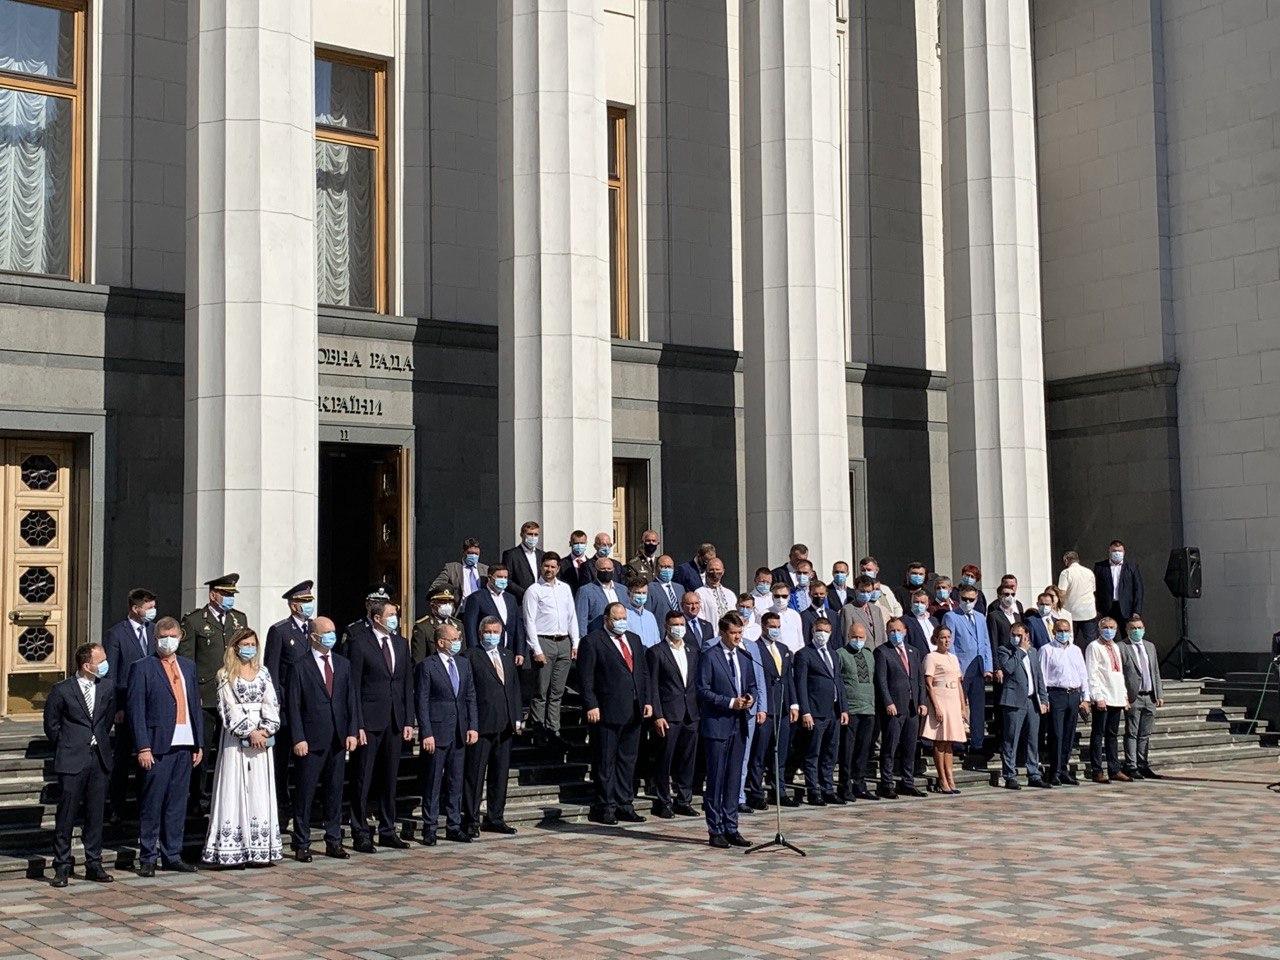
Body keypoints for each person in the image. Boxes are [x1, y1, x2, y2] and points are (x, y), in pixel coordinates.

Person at [201, 628, 283, 866]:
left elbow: (271, 702)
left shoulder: (263, 672)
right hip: (236, 741)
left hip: (262, 740)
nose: (249, 648)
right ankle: (232, 849)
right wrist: (250, 731)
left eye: (252, 643)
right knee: (234, 788)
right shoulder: (225, 674)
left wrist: (266, 729)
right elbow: (228, 709)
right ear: (235, 646)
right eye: (245, 643)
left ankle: (260, 848)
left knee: (259, 789)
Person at [129, 616, 203, 875]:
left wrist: (199, 743)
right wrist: (143, 746)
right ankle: (148, 856)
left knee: (177, 802)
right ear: (155, 638)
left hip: (184, 742)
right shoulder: (143, 667)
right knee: (153, 802)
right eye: (163, 636)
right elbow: (136, 709)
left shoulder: (188, 667)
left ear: (180, 636)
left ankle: (172, 853)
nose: (168, 641)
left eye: (173, 635)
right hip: (157, 745)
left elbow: (195, 704)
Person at [287, 617, 359, 862]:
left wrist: (352, 731)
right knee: (305, 793)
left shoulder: (343, 664)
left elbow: (351, 700)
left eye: (333, 631)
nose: (330, 636)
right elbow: (293, 706)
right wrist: (298, 737)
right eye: (325, 632)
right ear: (313, 636)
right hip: (311, 739)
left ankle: (334, 840)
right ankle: (302, 842)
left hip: (338, 738)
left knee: (334, 791)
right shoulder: (300, 666)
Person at [44, 642, 116, 886]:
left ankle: (93, 863)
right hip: (72, 758)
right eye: (101, 660)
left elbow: (106, 720)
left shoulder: (106, 687)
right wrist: (68, 744)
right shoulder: (62, 690)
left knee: (95, 814)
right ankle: (62, 865)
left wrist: (98, 740)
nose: (105, 664)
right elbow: (51, 725)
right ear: (87, 665)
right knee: (66, 814)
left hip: (99, 758)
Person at [347, 598, 413, 853]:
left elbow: (406, 683)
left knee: (390, 777)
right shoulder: (359, 642)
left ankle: (387, 829)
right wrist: (357, 724)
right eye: (391, 614)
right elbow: (353, 686)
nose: (395, 618)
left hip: (395, 720)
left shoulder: (400, 642)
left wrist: (408, 719)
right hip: (369, 722)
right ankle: (360, 830)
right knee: (363, 777)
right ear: (377, 618)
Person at [178, 572, 248, 813]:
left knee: (231, 748)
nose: (230, 599)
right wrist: (191, 693)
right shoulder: (195, 621)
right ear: (213, 594)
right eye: (226, 594)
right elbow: (187, 661)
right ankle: (198, 796)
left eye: (232, 594)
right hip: (206, 695)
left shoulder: (238, 620)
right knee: (203, 749)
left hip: (233, 694)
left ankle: (228, 793)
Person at [579, 602, 652, 825]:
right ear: (606, 619)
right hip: (607, 711)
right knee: (605, 761)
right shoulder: (592, 641)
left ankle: (624, 803)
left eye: (623, 618)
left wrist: (647, 700)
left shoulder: (634, 639)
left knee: (627, 761)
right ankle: (606, 806)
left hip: (634, 710)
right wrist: (591, 704)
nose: (621, 622)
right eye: (616, 619)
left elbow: (643, 673)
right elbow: (586, 678)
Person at [697, 612, 762, 848]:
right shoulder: (710, 656)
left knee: (734, 778)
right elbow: (702, 690)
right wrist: (729, 702)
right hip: (718, 724)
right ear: (722, 633)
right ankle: (715, 829)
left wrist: (750, 699)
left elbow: (753, 686)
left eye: (739, 633)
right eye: (733, 633)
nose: (737, 637)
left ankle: (731, 825)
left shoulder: (744, 657)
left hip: (739, 723)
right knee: (717, 778)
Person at [415, 623, 478, 845]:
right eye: (454, 638)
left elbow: (470, 696)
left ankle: (453, 825)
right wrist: (426, 732)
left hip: (459, 731)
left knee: (455, 781)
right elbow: (421, 701)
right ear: (441, 642)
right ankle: (429, 827)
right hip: (437, 731)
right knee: (433, 782)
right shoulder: (427, 666)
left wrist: (472, 726)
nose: (458, 641)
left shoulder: (463, 663)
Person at [465, 617, 523, 836]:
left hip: (505, 726)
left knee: (500, 775)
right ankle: (471, 819)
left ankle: (495, 817)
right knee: (475, 775)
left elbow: (514, 688)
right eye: (487, 631)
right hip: (481, 726)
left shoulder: (507, 655)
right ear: (480, 634)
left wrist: (517, 717)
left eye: (495, 631)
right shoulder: (471, 656)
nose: (492, 635)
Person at [102, 587, 156, 822]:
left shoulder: (154, 631)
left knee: (150, 756)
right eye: (149, 608)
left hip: (152, 705)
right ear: (135, 609)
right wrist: (117, 707)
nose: (153, 612)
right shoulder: (116, 634)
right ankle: (117, 805)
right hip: (126, 704)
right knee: (123, 758)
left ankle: (146, 804)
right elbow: (111, 674)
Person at [264, 580, 315, 827]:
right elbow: (272, 672)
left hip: (310, 708)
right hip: (286, 707)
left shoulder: (316, 630)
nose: (309, 605)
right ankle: (281, 808)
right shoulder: (280, 631)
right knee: (281, 762)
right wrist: (274, 705)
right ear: (294, 605)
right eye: (304, 602)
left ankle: (304, 808)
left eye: (310, 600)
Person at [648, 611, 701, 818]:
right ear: (666, 626)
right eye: (674, 624)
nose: (678, 627)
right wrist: (658, 715)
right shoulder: (657, 652)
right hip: (669, 714)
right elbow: (652, 686)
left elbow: (695, 683)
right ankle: (663, 801)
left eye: (681, 624)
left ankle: (684, 800)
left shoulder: (693, 651)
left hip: (691, 713)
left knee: (687, 759)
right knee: (665, 759)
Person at [522, 552, 579, 741]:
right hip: (543, 641)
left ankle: (553, 730)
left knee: (557, 691)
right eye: (546, 566)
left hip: (563, 642)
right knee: (541, 690)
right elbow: (529, 621)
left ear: (558, 568)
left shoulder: (565, 589)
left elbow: (572, 616)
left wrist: (575, 642)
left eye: (553, 567)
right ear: (541, 567)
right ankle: (538, 731)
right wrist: (536, 649)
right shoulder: (534, 590)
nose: (549, 570)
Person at [745, 611, 799, 809]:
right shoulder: (755, 648)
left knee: (781, 753)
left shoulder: (784, 649)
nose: (775, 630)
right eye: (771, 626)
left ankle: (779, 790)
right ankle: (756, 792)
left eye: (777, 626)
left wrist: (794, 704)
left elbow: (788, 678)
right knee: (760, 753)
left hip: (783, 707)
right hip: (766, 709)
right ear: (763, 626)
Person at [793, 619, 848, 804]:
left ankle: (827, 789)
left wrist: (844, 708)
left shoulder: (833, 654)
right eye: (819, 630)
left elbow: (838, 682)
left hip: (833, 711)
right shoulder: (804, 654)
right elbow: (800, 684)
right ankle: (813, 790)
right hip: (815, 712)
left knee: (830, 753)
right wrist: (805, 711)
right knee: (813, 753)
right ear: (812, 630)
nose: (821, 634)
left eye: (825, 631)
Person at [874, 620, 927, 799]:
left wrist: (922, 701)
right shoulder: (882, 651)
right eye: (892, 630)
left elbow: (919, 679)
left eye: (898, 630)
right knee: (890, 746)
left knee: (910, 747)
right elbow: (881, 680)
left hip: (912, 707)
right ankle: (887, 783)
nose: (895, 633)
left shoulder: (913, 651)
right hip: (894, 707)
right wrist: (888, 702)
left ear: (905, 631)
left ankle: (907, 781)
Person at [943, 585, 993, 770]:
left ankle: (978, 743)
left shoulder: (980, 617)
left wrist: (988, 666)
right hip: (961, 669)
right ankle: (958, 742)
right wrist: (956, 669)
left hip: (978, 669)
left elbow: (985, 642)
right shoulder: (951, 616)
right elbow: (951, 644)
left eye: (971, 599)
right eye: (964, 599)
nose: (967, 603)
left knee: (978, 708)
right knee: (959, 706)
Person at [996, 623, 1050, 789]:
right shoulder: (1005, 650)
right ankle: (1009, 774)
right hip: (1013, 700)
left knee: (1033, 739)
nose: (1016, 638)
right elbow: (1008, 669)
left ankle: (1033, 773)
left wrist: (1044, 699)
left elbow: (1038, 676)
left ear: (1027, 635)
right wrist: (1020, 650)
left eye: (1020, 635)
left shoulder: (1033, 652)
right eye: (1014, 634)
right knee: (1011, 739)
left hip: (1032, 700)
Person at [1039, 618, 1090, 786]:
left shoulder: (1076, 650)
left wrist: (1086, 698)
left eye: (1066, 630)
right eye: (1060, 631)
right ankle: (1054, 770)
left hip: (1073, 695)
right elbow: (1043, 677)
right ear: (1054, 632)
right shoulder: (1047, 650)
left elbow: (1083, 674)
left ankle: (1064, 768)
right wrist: (1044, 699)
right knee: (1056, 734)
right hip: (1056, 694)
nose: (1063, 634)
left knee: (1068, 734)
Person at [835, 621, 878, 801]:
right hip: (851, 709)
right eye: (854, 637)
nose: (857, 640)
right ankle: (845, 785)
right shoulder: (841, 654)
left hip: (868, 708)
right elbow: (838, 681)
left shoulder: (869, 655)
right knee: (848, 749)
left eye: (861, 637)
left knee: (863, 749)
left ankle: (860, 784)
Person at [921, 626, 966, 795]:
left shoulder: (953, 658)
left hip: (953, 698)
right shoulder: (931, 657)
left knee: (949, 742)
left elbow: (959, 683)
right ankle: (942, 779)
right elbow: (928, 683)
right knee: (940, 741)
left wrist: (963, 706)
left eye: (948, 637)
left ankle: (950, 777)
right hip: (940, 698)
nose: (946, 640)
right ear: (936, 639)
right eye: (942, 637)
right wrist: (936, 706)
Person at [1086, 618, 1130, 783]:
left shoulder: (1116, 647)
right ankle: (1097, 770)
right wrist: (1097, 696)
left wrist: (1124, 695)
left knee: (1112, 734)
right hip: (1103, 695)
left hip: (1116, 695)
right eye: (1105, 627)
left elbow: (1119, 673)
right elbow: (1092, 672)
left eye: (1112, 627)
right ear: (1099, 628)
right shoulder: (1094, 647)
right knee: (1098, 734)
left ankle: (1114, 768)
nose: (1108, 630)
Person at [1120, 615, 1164, 779]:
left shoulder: (1149, 646)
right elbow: (1121, 674)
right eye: (1133, 628)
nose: (1136, 631)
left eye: (1139, 628)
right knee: (1132, 732)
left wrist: (1159, 693)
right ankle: (1131, 765)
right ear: (1127, 630)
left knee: (1145, 733)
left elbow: (1156, 671)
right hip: (1134, 695)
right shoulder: (1122, 647)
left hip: (1149, 695)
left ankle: (1143, 763)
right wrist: (1124, 696)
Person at [462, 563, 526, 661]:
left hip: (509, 652)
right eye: (499, 577)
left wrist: (520, 652)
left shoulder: (511, 598)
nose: (503, 580)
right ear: (490, 577)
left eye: (505, 577)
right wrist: (474, 653)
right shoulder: (476, 598)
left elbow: (518, 626)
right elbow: (470, 628)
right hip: (485, 652)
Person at [1093, 540, 1144, 626]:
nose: (1117, 553)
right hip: (1106, 609)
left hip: (1126, 609)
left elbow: (1138, 589)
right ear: (1109, 551)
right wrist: (1096, 609)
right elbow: (1095, 589)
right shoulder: (1100, 567)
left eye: (1119, 551)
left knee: (1127, 636)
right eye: (1114, 551)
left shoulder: (1132, 567)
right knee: (1108, 634)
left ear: (1124, 552)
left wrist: (1137, 611)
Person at [411, 587, 463, 663]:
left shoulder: (458, 625)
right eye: (442, 602)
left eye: (449, 602)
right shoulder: (423, 627)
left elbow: (463, 654)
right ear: (433, 604)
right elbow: (419, 660)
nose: (447, 605)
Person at [1058, 550, 1098, 645]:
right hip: (1089, 612)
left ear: (1066, 560)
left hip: (1071, 612)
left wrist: (1059, 608)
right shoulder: (1089, 572)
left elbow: (1062, 593)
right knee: (1091, 642)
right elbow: (1093, 590)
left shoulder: (1066, 573)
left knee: (1070, 641)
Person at [839, 575, 888, 650]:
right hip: (861, 655)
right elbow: (847, 637)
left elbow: (883, 636)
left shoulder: (876, 609)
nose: (865, 594)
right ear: (855, 589)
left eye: (868, 591)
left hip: (879, 653)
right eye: (862, 591)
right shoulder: (848, 610)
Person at [575, 556, 622, 635]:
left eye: (609, 569)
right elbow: (581, 619)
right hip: (597, 637)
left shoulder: (622, 589)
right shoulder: (585, 590)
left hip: (619, 636)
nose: (606, 571)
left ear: (613, 570)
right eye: (603, 569)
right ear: (596, 571)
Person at [500, 520, 544, 603]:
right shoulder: (511, 554)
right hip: (520, 601)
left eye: (536, 534)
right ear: (522, 535)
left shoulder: (542, 555)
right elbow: (507, 579)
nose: (533, 537)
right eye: (530, 534)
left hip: (540, 601)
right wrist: (526, 594)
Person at [765, 581, 805, 652]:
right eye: (777, 596)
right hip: (775, 654)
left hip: (794, 655)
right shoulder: (765, 613)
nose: (780, 599)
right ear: (772, 597)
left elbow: (800, 640)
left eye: (784, 596)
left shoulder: (795, 614)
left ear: (789, 597)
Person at [696, 557, 737, 627]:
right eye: (711, 570)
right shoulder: (699, 593)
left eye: (717, 569)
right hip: (711, 635)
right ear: (706, 571)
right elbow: (700, 617)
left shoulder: (730, 594)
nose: (715, 572)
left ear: (723, 571)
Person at [648, 554, 686, 622]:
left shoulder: (680, 588)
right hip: (661, 630)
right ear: (656, 568)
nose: (667, 569)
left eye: (669, 567)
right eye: (663, 567)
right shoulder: (650, 588)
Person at [626, 578, 661, 648]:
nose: (641, 595)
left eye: (644, 593)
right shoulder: (624, 614)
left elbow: (657, 640)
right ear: (629, 593)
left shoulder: (650, 616)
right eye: (638, 593)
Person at [902, 589, 937, 659]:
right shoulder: (904, 620)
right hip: (919, 661)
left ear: (927, 605)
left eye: (922, 602)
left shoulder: (934, 620)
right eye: (916, 602)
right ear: (911, 603)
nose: (919, 605)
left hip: (937, 659)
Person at [558, 530, 595, 595]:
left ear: (586, 543)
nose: (579, 545)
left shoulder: (593, 564)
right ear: (570, 543)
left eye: (582, 543)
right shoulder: (562, 564)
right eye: (576, 543)